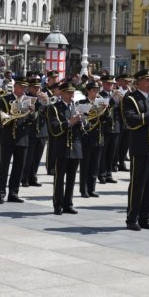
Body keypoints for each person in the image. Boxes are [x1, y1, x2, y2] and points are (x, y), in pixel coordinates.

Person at [122, 69, 149, 231]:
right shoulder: (131, 98)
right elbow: (131, 120)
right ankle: (132, 218)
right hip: (140, 145)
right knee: (138, 184)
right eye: (147, 80)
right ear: (139, 81)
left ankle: (145, 217)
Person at [0, 77, 34, 204]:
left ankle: (13, 193)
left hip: (22, 138)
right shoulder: (5, 100)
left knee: (19, 167)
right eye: (21, 87)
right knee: (4, 167)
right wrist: (5, 119)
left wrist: (32, 113)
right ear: (15, 87)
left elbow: (32, 120)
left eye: (24, 88)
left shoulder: (28, 101)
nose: (23, 90)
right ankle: (0, 193)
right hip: (8, 137)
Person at [46, 81, 83, 215]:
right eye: (68, 92)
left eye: (72, 92)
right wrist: (69, 122)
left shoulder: (77, 106)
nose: (71, 95)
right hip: (61, 147)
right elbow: (54, 128)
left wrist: (83, 121)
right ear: (61, 93)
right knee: (59, 178)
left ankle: (68, 204)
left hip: (75, 147)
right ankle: (58, 204)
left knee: (72, 179)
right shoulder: (54, 107)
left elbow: (85, 128)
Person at [79, 81, 103, 198]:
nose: (95, 92)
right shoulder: (82, 103)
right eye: (93, 90)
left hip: (98, 138)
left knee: (95, 166)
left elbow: (107, 120)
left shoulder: (100, 103)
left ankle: (92, 188)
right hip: (87, 138)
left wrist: (106, 110)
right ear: (88, 91)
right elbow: (82, 120)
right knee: (85, 166)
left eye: (97, 90)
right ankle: (84, 189)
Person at [98, 74, 121, 184]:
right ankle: (101, 174)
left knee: (112, 152)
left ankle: (109, 173)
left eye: (112, 84)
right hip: (105, 127)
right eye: (108, 83)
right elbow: (104, 109)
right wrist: (112, 98)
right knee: (103, 152)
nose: (111, 86)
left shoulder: (116, 95)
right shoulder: (99, 95)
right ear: (103, 84)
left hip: (115, 127)